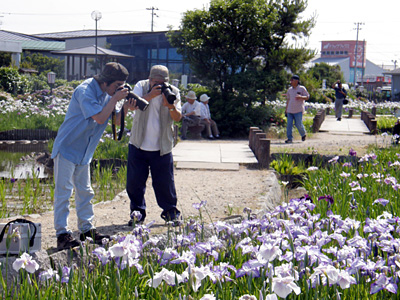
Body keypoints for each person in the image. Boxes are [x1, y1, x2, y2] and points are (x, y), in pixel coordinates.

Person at [51, 62, 134, 250]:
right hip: (67, 148)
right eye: (117, 86)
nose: (118, 89)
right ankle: (62, 234)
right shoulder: (85, 91)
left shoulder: (108, 94)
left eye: (122, 86)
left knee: (86, 192)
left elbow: (114, 120)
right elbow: (99, 117)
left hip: (84, 151)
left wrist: (126, 107)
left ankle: (87, 230)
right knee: (64, 192)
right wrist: (115, 100)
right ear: (105, 82)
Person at [127, 65, 182, 226]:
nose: (159, 86)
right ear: (149, 79)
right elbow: (131, 106)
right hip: (138, 144)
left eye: (163, 83)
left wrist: (170, 105)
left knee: (165, 183)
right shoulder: (141, 86)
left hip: (162, 146)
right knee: (134, 183)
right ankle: (137, 215)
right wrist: (150, 95)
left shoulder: (173, 92)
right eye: (156, 82)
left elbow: (177, 117)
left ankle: (171, 213)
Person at [284, 75, 309, 144]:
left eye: (292, 80)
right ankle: (289, 138)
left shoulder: (302, 88)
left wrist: (301, 97)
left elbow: (307, 97)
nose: (291, 82)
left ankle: (303, 134)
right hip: (290, 110)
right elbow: (288, 100)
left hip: (298, 110)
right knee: (289, 125)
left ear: (296, 81)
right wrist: (286, 109)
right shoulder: (289, 90)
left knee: (298, 124)